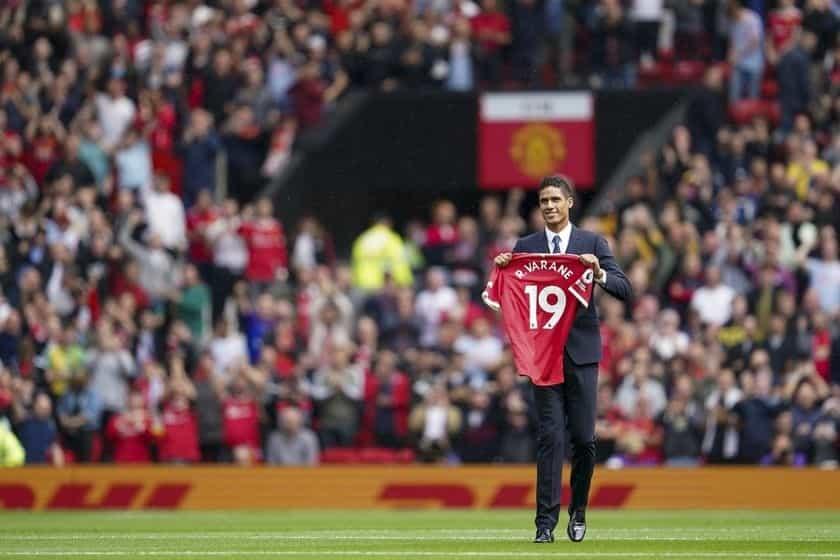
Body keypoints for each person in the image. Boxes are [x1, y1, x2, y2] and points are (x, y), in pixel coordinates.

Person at [493, 174, 632, 543]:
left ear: (569, 202)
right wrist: (507, 266)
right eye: (543, 201)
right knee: (550, 437)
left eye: (555, 199)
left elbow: (624, 288)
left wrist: (598, 271)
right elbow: (511, 294)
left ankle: (580, 510)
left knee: (584, 440)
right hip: (544, 357)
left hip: (582, 354)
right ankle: (544, 525)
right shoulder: (527, 244)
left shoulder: (592, 242)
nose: (549, 206)